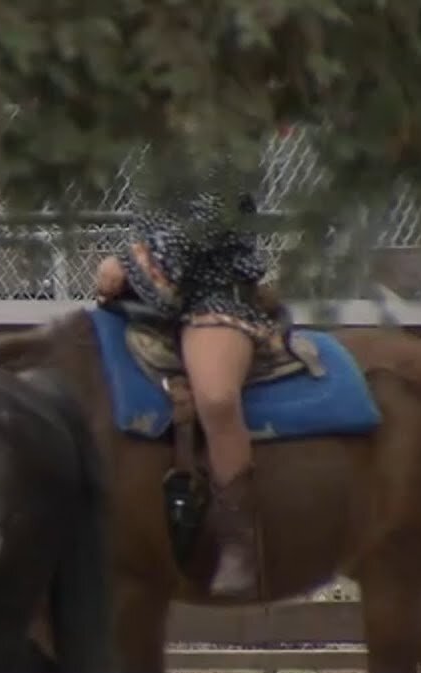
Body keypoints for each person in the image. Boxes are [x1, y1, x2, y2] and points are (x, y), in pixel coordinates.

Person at [94, 147, 273, 599]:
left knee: (215, 397)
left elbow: (207, 222)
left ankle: (240, 542)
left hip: (217, 297)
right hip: (157, 300)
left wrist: (130, 264)